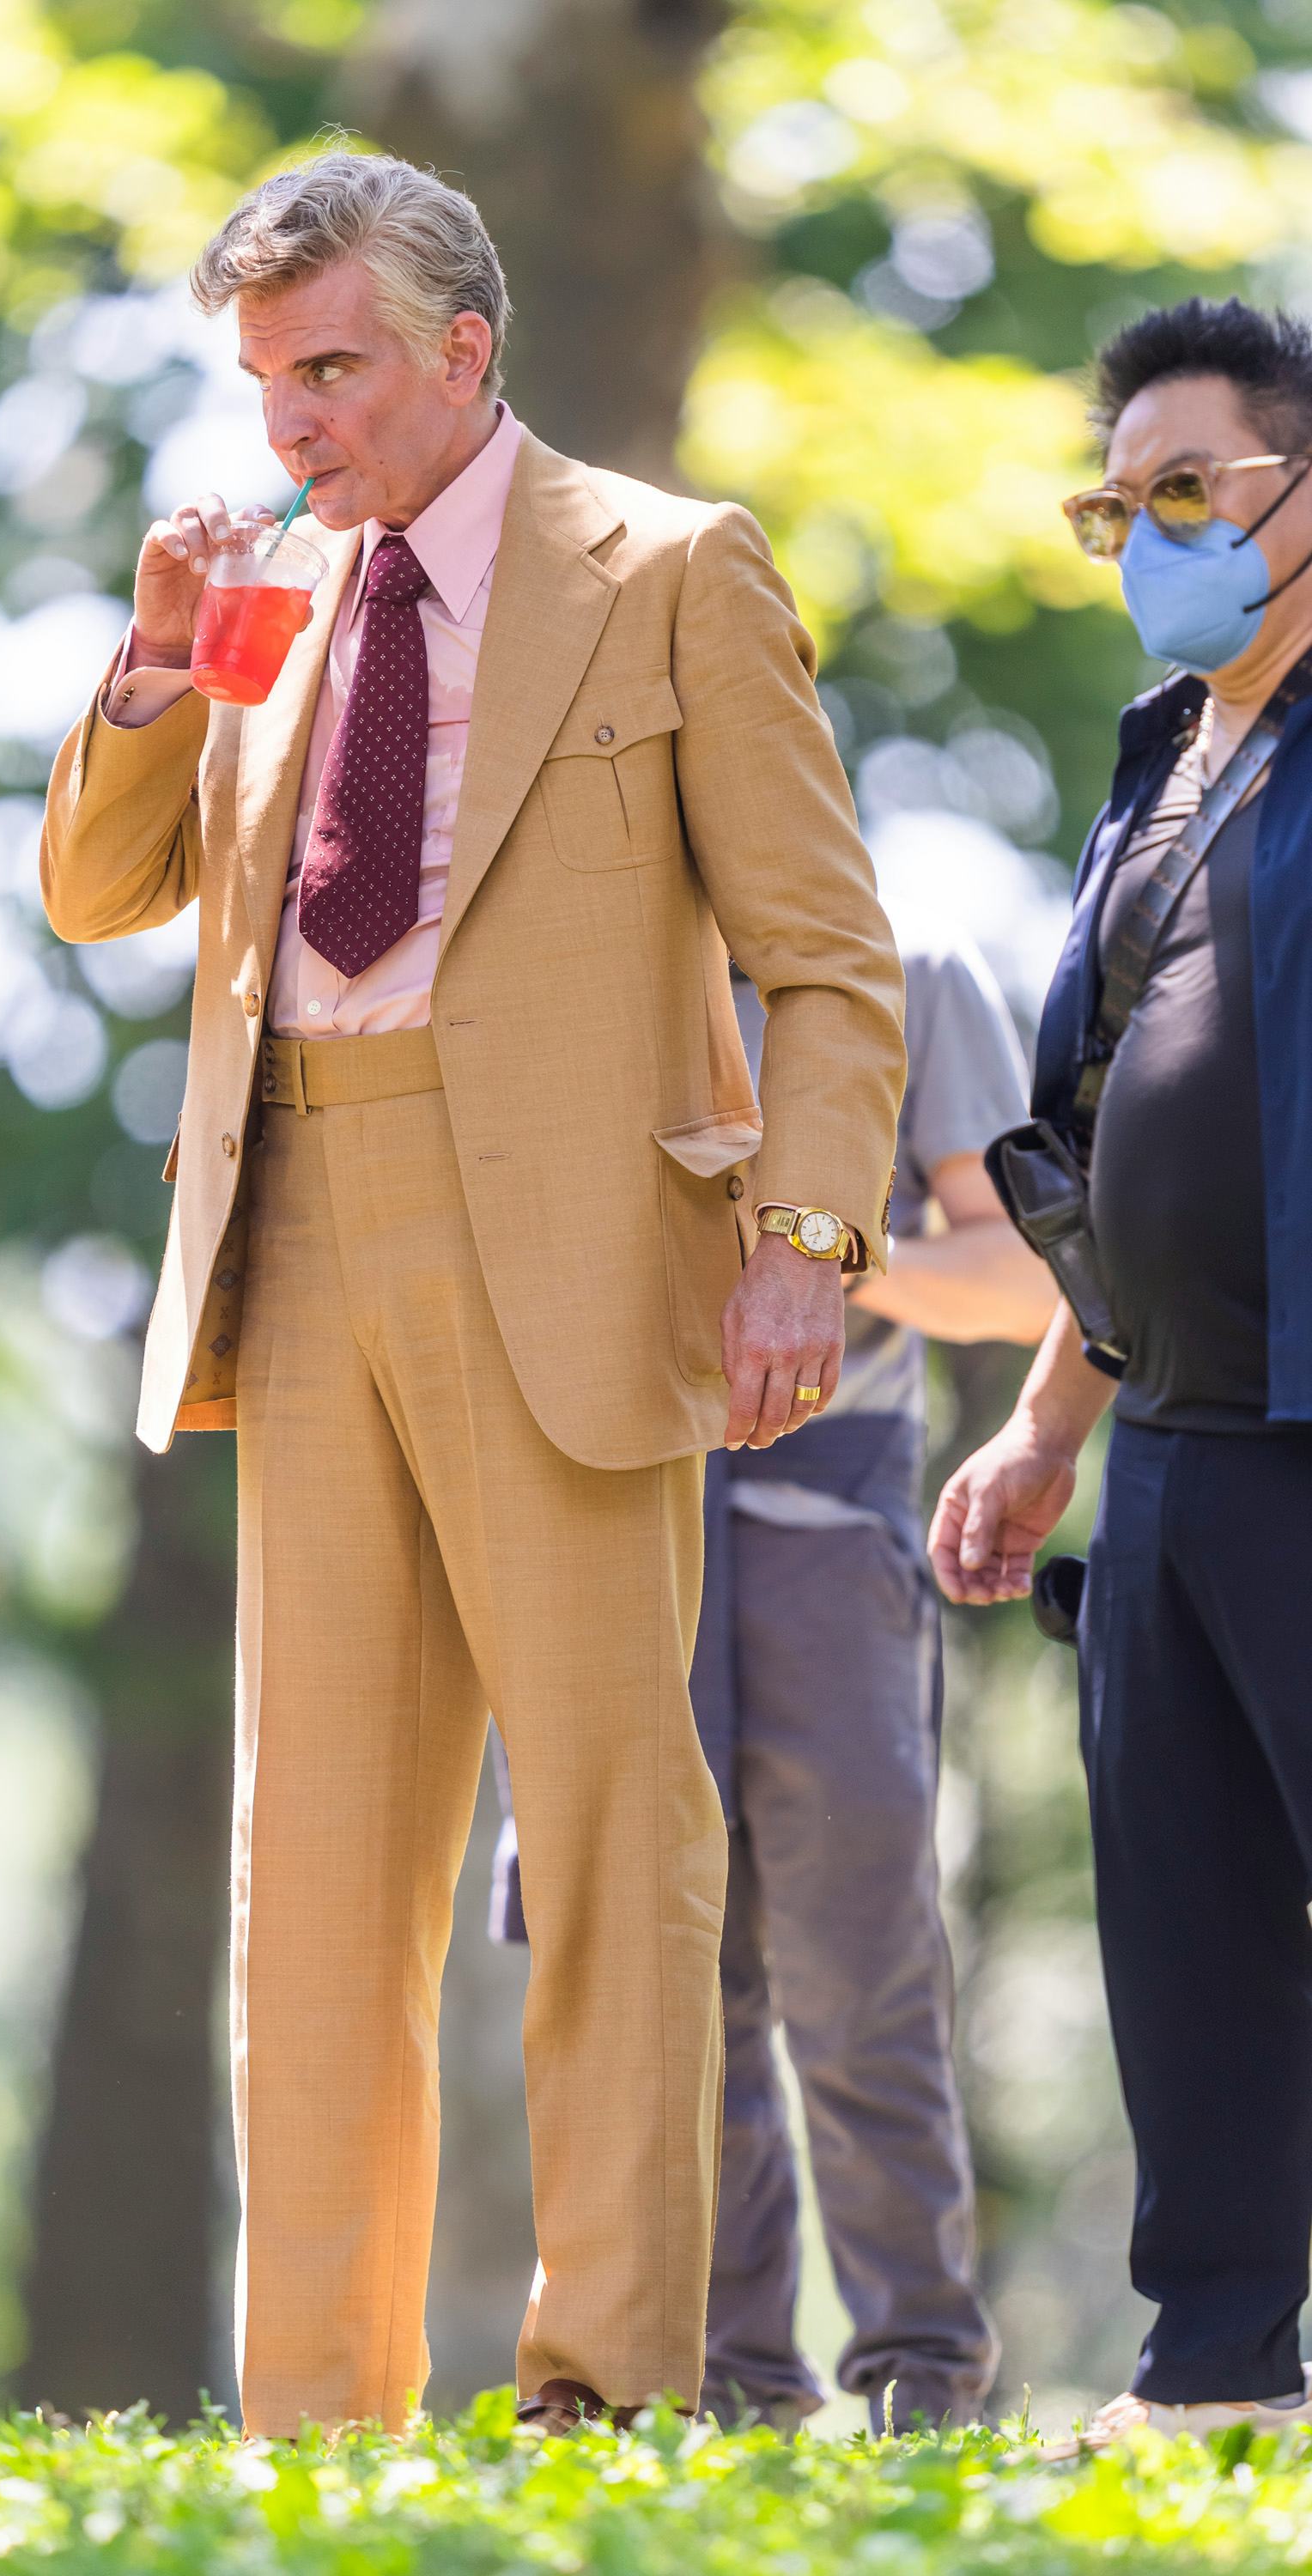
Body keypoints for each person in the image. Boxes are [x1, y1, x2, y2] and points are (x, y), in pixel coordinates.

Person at [42, 151, 905, 2439]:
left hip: (581, 1259)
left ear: (461, 346)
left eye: (328, 371)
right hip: (298, 1234)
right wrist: (148, 667)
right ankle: (320, 2423)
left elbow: (829, 966)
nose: (291, 427)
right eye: (263, 381)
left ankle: (602, 2393)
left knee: (617, 1839)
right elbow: (101, 893)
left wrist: (808, 1245)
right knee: (311, 1870)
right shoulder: (262, 604)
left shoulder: (671, 568)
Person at [494, 934, 1052, 2433]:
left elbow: (1012, 1278)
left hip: (827, 1530)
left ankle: (923, 2376)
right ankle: (735, 2379)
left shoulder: (910, 976)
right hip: (610, 1519)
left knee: (861, 1973)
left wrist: (820, 1256)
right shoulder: (590, 961)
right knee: (662, 1981)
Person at [932, 297, 1312, 2444]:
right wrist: (1044, 1420)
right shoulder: (1163, 750)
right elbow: (1103, 1129)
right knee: (1182, 1923)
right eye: (1123, 502)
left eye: (1193, 487)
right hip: (1162, 1430)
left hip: (1311, 1417)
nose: (1152, 532)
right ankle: (1217, 2382)